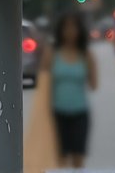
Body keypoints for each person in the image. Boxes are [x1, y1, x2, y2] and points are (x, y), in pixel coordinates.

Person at [46, 12, 97, 169]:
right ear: (60, 31)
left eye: (74, 28)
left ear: (79, 31)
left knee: (78, 159)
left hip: (80, 113)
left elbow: (94, 84)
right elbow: (45, 86)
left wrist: (90, 69)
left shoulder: (86, 55)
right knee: (59, 159)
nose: (70, 32)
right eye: (66, 28)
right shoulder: (52, 54)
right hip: (57, 113)